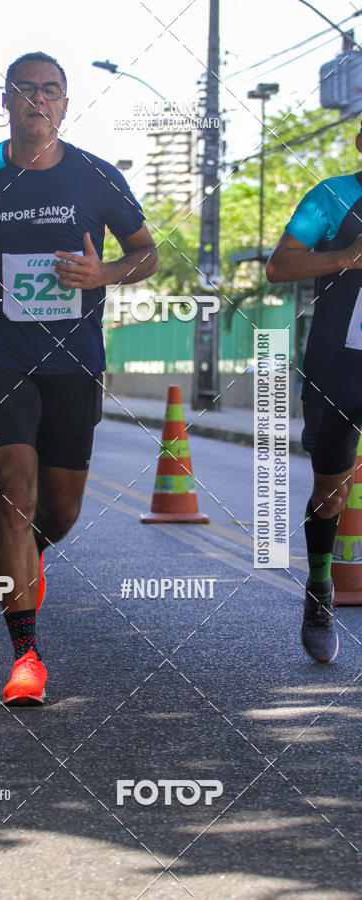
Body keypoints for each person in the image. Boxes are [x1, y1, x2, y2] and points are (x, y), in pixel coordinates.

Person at [0, 51, 158, 704]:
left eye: (50, 90)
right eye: (25, 89)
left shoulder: (97, 176)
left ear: (65, 102)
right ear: (5, 99)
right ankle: (25, 654)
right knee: (13, 496)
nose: (38, 100)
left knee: (58, 511)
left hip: (74, 358)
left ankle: (29, 558)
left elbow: (147, 252)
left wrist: (104, 274)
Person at [267, 125, 362, 663]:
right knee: (331, 490)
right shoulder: (333, 197)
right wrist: (346, 256)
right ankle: (320, 589)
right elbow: (279, 265)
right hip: (337, 368)